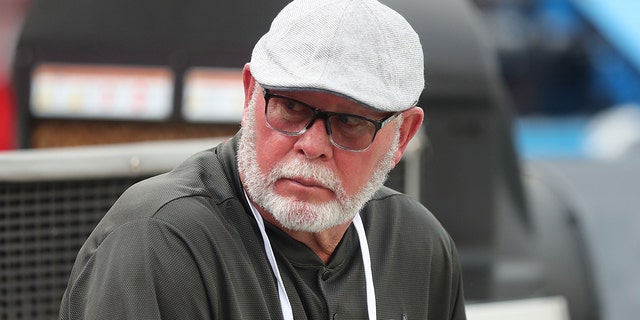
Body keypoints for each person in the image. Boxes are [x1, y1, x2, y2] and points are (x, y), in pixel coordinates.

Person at [59, 0, 467, 319]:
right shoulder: (160, 243)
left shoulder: (419, 247)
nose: (312, 144)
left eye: (348, 121)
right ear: (250, 93)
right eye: (290, 107)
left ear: (403, 136)